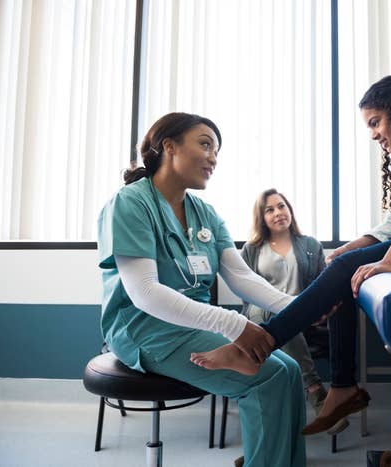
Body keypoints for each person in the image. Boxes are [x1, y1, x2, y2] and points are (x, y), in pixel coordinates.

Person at [192, 75, 391, 435]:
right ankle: (343, 385)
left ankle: (260, 346)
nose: (373, 134)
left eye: (375, 122)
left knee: (353, 267)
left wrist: (389, 260)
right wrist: (353, 247)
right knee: (345, 268)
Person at [97, 112, 306, 467]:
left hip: (195, 326)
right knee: (267, 376)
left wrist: (299, 307)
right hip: (146, 329)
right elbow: (144, 292)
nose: (213, 158)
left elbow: (241, 277)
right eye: (205, 144)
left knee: (290, 371)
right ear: (169, 146)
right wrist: (234, 325)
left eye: (217, 150)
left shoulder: (205, 213)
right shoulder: (131, 202)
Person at [239, 188, 349, 434]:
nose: (278, 213)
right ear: (262, 217)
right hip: (260, 318)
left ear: (289, 210)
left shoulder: (310, 245)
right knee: (267, 310)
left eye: (281, 206)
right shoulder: (251, 249)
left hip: (302, 318)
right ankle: (315, 391)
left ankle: (271, 430)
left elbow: (323, 287)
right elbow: (245, 291)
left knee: (285, 316)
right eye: (270, 210)